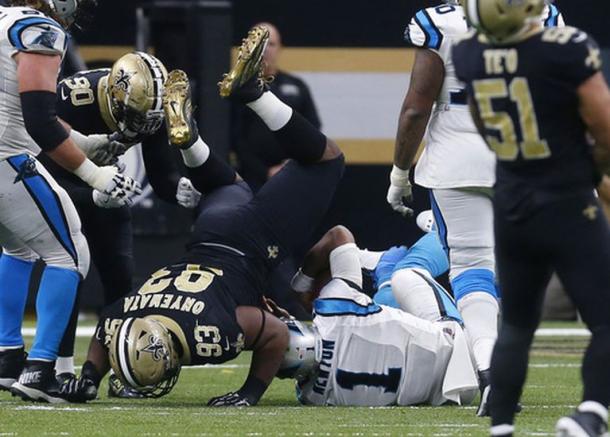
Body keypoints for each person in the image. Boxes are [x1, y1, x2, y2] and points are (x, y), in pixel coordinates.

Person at [58, 25, 345, 406]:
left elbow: (274, 333)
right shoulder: (126, 318)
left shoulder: (206, 336)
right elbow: (105, 331)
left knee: (327, 160)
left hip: (247, 241)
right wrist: (90, 377)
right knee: (232, 186)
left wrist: (249, 394)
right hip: (208, 232)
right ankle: (192, 145)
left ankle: (253, 95)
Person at [385, 0, 564, 416]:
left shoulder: (439, 21)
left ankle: (489, 370)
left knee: (472, 269)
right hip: (525, 156)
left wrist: (399, 172)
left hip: (458, 158)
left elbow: (416, 107)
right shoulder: (542, 13)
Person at [453, 0, 610, 436]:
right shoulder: (566, 47)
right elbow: (606, 128)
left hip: (512, 202)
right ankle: (591, 414)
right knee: (606, 318)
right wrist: (592, 170)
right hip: (566, 199)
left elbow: (485, 126)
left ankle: (501, 426)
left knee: (518, 324)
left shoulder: (466, 54)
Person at [0, 0, 140, 403]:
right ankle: (41, 369)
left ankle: (8, 356)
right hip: (8, 159)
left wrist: (86, 144)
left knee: (19, 247)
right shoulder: (38, 30)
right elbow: (38, 119)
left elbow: (22, 103)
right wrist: (94, 174)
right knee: (71, 254)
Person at [39, 52, 201, 384]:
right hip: (59, 182)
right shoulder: (74, 99)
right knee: (69, 270)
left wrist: (177, 188)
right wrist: (91, 192)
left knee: (120, 279)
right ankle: (59, 368)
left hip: (108, 187)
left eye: (149, 119)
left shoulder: (149, 105)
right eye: (137, 117)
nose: (142, 127)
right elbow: (42, 169)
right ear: (115, 98)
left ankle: (111, 367)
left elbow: (160, 172)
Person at [277, 225, 478, 407]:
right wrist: (301, 285)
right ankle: (449, 229)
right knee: (407, 273)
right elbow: (338, 234)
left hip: (453, 393)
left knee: (384, 307)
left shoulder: (311, 396)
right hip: (456, 349)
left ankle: (382, 270)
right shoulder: (333, 310)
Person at [233, 22, 321, 190]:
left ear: (280, 48)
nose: (266, 49)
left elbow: (313, 129)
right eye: (260, 44)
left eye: (271, 44)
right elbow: (235, 138)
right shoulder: (238, 90)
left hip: (292, 177)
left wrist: (292, 165)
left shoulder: (297, 86)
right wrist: (264, 172)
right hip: (251, 180)